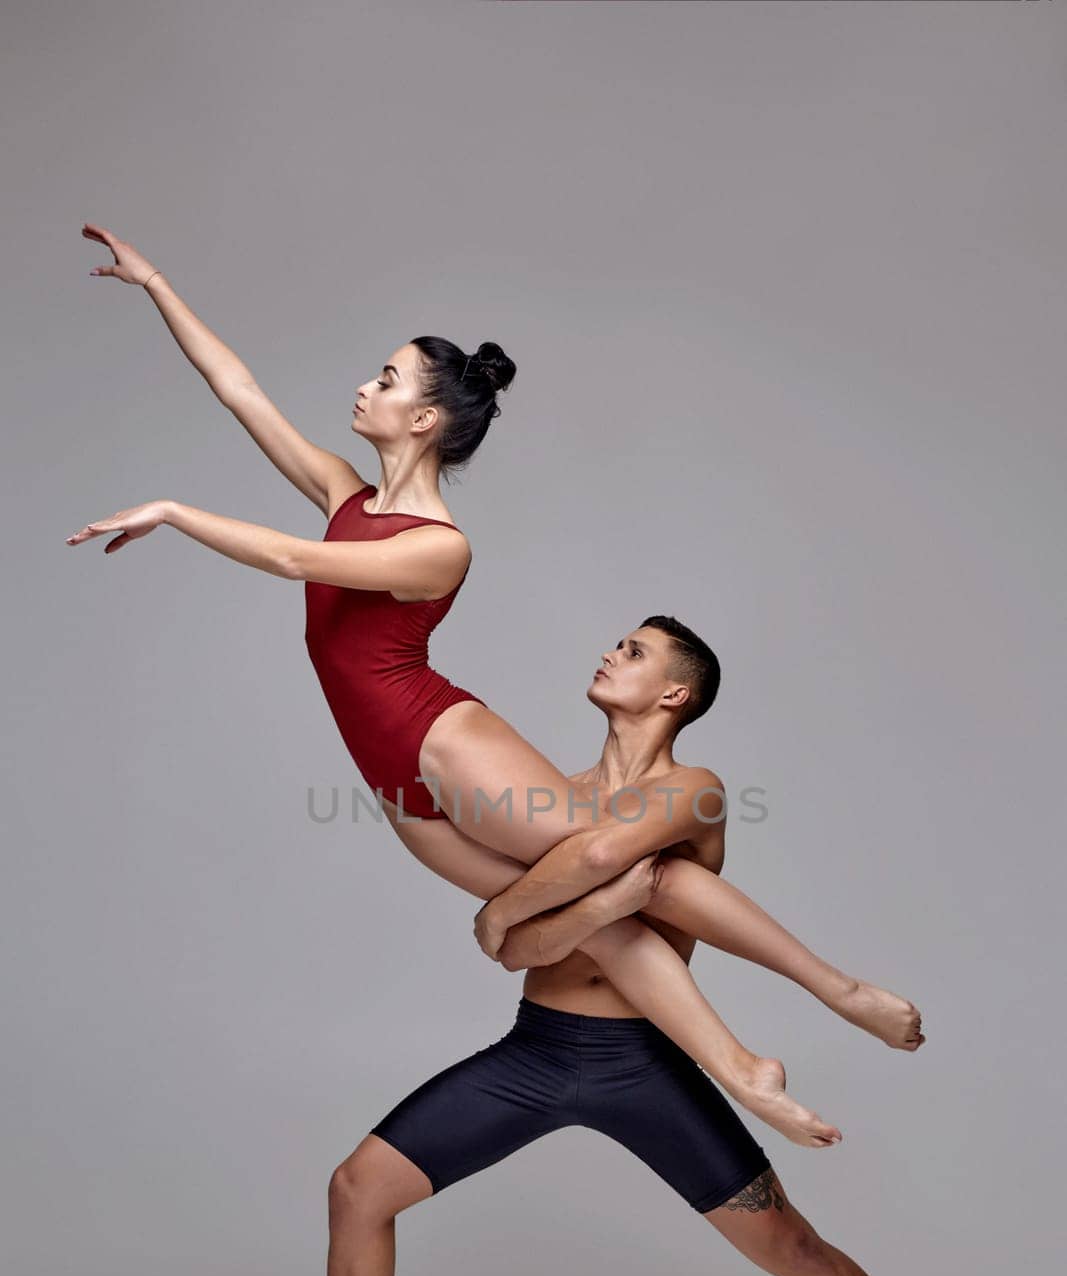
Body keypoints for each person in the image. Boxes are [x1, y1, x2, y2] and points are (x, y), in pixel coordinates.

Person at [69, 223, 922, 1151]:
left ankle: (833, 994)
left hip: (441, 740)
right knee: (592, 915)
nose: (364, 387)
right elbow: (237, 390)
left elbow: (283, 558)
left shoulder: (437, 544)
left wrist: (173, 509)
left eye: (386, 380)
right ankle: (747, 1070)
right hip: (391, 780)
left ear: (425, 419)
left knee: (627, 870)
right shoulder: (344, 494)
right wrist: (156, 284)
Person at [224, 867, 1012, 1276]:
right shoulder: (553, 798)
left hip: (642, 1069)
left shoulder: (688, 799)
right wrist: (562, 907)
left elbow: (590, 892)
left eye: (634, 647)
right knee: (356, 1189)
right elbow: (508, 947)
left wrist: (544, 897)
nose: (611, 655)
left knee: (795, 1250)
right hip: (533, 1054)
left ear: (673, 694)